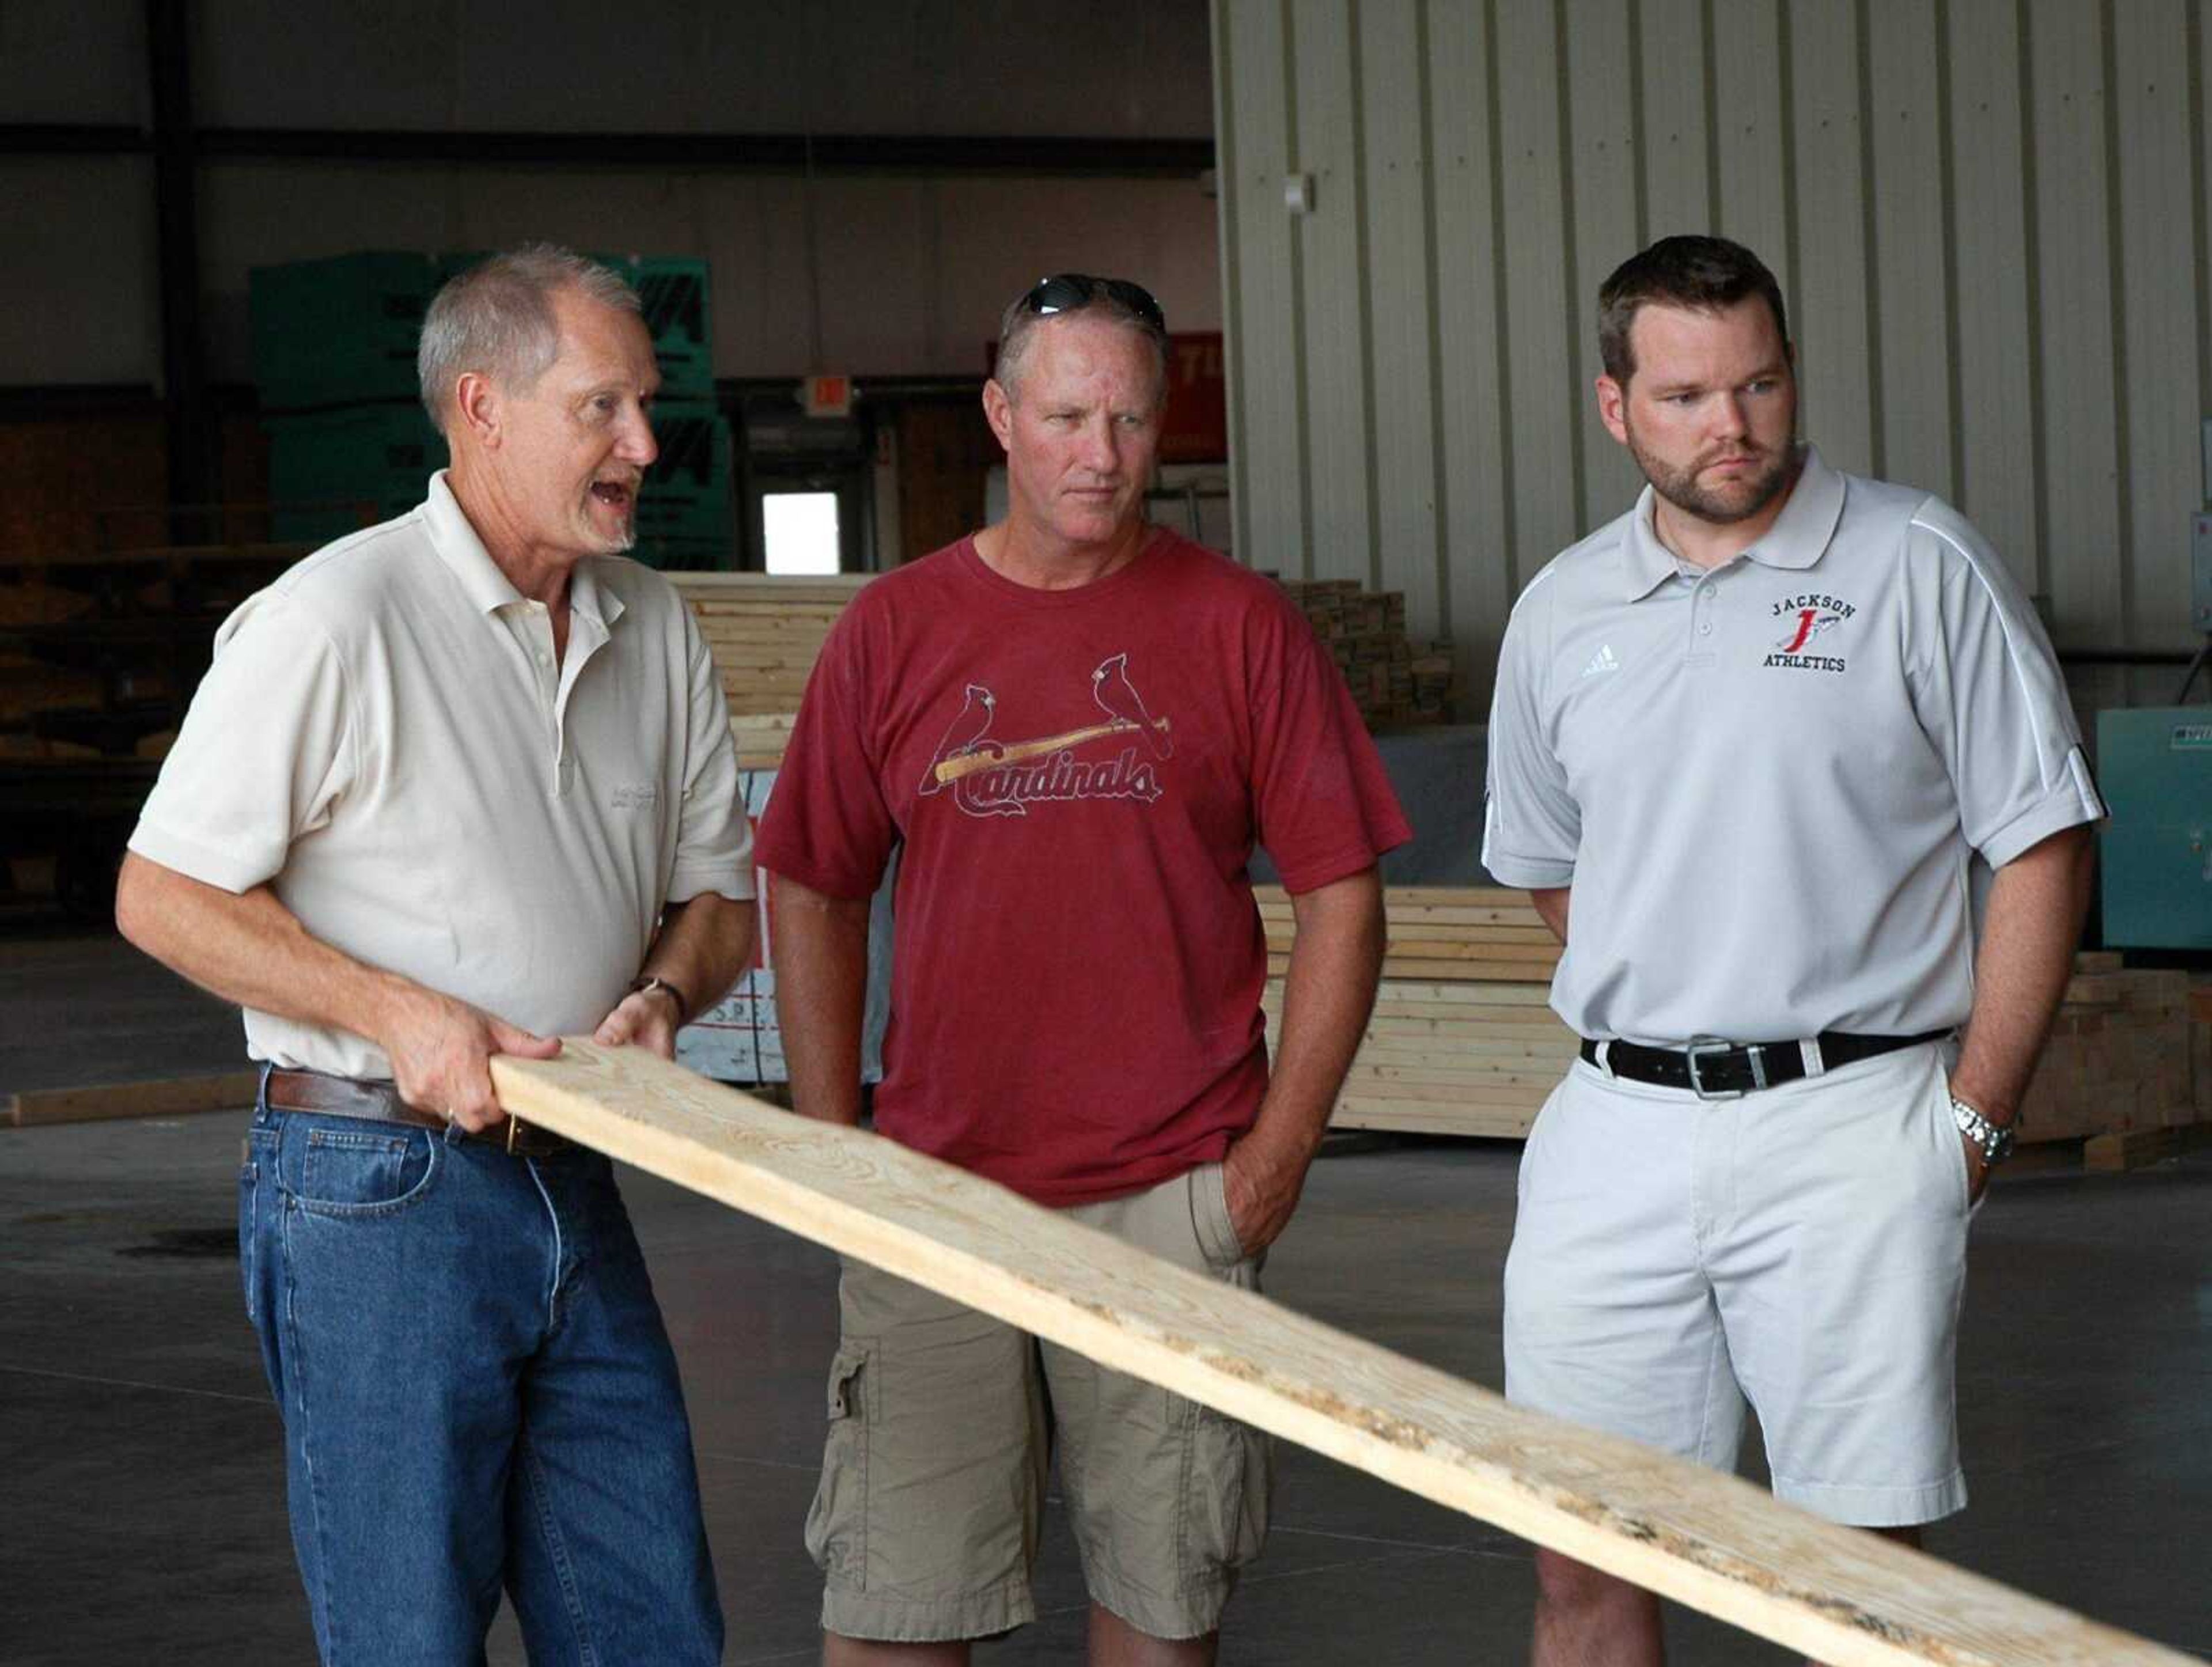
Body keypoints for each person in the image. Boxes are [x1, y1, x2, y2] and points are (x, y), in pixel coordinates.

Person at [113, 244, 756, 1666]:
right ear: (481, 407)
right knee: (408, 1636)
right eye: (602, 408)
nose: (644, 446)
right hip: (374, 1189)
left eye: (645, 407)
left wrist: (661, 995)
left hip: (575, 1170)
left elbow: (721, 901)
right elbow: (158, 895)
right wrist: (395, 1009)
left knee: (649, 1627)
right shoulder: (334, 619)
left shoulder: (654, 626)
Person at [757, 272, 1411, 1666]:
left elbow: (1343, 898)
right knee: (890, 1614)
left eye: (1126, 417)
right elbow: (811, 877)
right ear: (1001, 417)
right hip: (933, 1196)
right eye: (1064, 415)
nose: (1099, 454)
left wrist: (1275, 1159)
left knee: (1161, 1613)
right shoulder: (897, 630)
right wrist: (832, 1152)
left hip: (1171, 1192)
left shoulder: (1243, 628)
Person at [1482, 233, 2103, 1666]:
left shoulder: (1915, 561)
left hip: (1854, 1128)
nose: (1733, 426)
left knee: (1859, 1586)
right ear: (1615, 404)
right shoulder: (1563, 609)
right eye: (1689, 394)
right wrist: (1679, 986)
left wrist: (1974, 1121)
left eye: (1758, 384)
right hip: (1613, 1141)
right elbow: (1554, 871)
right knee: (1583, 1568)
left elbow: (2043, 840)